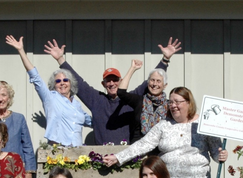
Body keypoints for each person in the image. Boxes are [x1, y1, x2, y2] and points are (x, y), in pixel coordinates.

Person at [43, 37, 181, 145]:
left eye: (115, 80)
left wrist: (165, 59)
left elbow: (151, 83)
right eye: (108, 81)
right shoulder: (96, 100)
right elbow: (79, 82)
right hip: (101, 158)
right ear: (103, 84)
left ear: (120, 82)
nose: (112, 83)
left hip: (127, 156)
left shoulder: (130, 99)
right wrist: (60, 59)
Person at [6, 35, 92, 147]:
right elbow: (35, 77)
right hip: (57, 154)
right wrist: (21, 50)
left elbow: (93, 122)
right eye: (58, 81)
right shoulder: (50, 98)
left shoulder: (77, 105)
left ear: (71, 83)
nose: (62, 83)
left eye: (65, 80)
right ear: (53, 85)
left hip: (78, 155)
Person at [118, 59, 169, 142]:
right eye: (152, 80)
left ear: (165, 85)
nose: (154, 84)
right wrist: (132, 69)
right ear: (148, 82)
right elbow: (121, 93)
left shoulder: (170, 105)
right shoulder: (139, 101)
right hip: (139, 149)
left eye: (158, 81)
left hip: (160, 150)